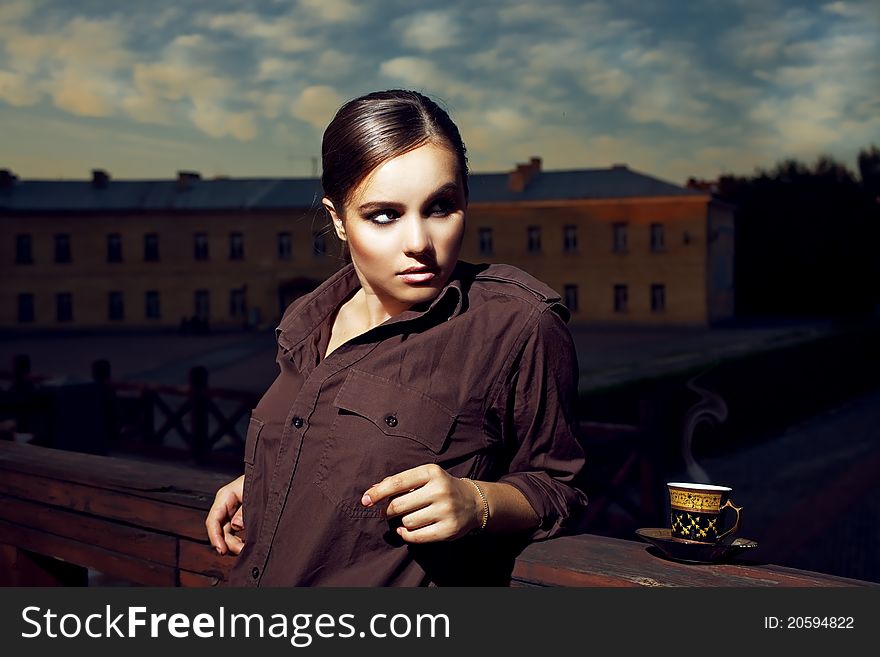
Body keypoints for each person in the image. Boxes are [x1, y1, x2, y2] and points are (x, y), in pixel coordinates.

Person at [205, 89, 588, 586]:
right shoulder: (307, 319)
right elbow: (345, 449)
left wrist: (478, 502)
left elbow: (561, 488)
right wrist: (273, 480)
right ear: (339, 220)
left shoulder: (516, 324)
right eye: (384, 214)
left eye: (440, 207)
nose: (419, 244)